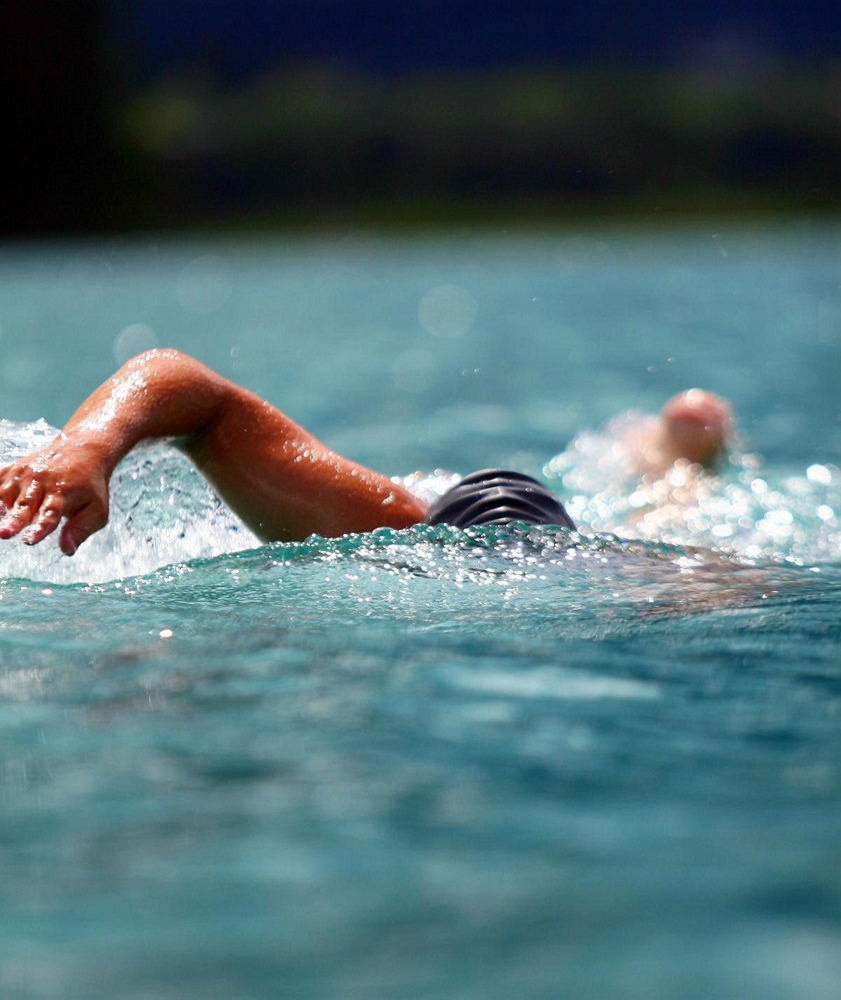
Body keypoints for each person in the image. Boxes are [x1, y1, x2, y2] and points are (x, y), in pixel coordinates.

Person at [0, 349, 731, 556]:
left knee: (672, 521)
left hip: (547, 544)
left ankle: (681, 455)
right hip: (458, 515)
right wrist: (86, 449)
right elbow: (186, 382)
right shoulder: (394, 522)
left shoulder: (642, 584)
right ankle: (679, 451)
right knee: (665, 520)